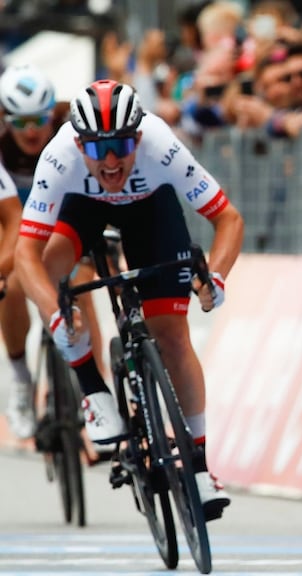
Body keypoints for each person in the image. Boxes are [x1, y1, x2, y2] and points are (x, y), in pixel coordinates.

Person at [14, 79, 244, 521]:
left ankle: (197, 465)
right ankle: (92, 389)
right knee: (46, 273)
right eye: (99, 150)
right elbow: (25, 255)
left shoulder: (161, 145)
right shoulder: (59, 156)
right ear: (80, 144)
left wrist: (216, 276)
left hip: (149, 211)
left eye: (121, 145)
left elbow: (227, 219)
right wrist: (56, 317)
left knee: (173, 337)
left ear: (138, 136)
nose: (112, 160)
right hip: (82, 210)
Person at [0, 64, 105, 441]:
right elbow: (11, 222)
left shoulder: (71, 128)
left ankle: (97, 393)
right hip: (17, 223)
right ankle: (21, 379)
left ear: (53, 113)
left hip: (66, 220)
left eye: (39, 120)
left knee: (81, 285)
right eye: (21, 121)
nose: (31, 131)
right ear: (5, 118)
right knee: (10, 286)